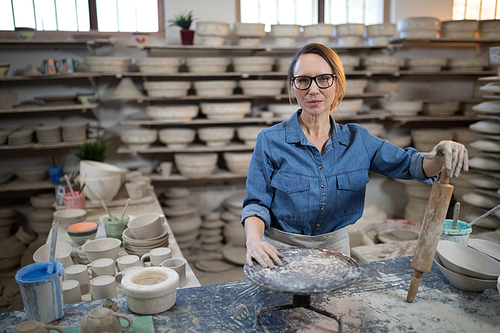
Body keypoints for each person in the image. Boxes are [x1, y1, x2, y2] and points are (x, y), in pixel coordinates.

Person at [241, 43, 468, 269]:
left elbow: (411, 166)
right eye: (303, 80)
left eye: (323, 79)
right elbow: (256, 204)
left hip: (335, 251)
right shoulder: (270, 141)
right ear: (293, 87)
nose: (313, 90)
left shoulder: (358, 140)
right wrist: (254, 242)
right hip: (281, 251)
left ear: (337, 84)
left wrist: (439, 156)